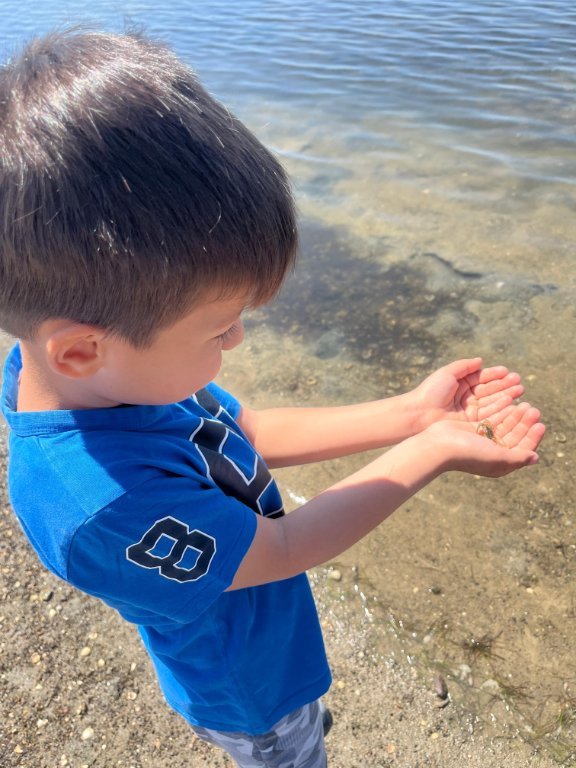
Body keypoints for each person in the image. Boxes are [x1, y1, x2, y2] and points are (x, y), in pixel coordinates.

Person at [0, 29, 545, 768]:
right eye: (219, 328)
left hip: (272, 643)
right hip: (249, 690)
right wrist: (433, 450)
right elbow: (284, 549)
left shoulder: (100, 379)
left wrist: (409, 413)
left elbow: (242, 432)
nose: (238, 341)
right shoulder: (102, 505)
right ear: (80, 348)